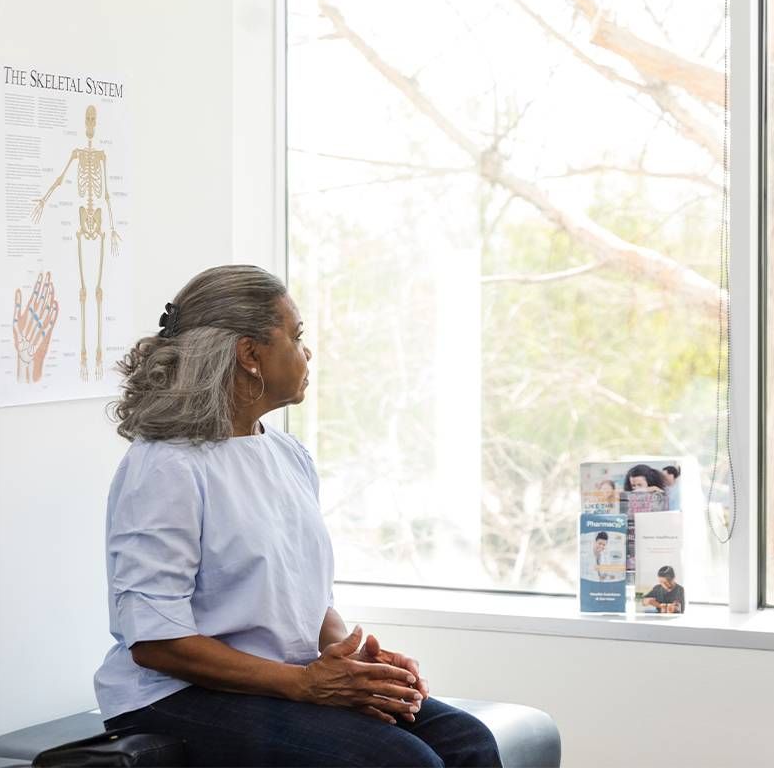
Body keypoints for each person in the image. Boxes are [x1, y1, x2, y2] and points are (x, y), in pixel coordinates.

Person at [93, 266, 502, 767]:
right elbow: (157, 642)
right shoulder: (166, 467)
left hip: (281, 679)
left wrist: (359, 663)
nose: (307, 353)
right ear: (250, 355)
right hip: (174, 697)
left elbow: (308, 603)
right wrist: (304, 685)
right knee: (401, 763)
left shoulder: (288, 454)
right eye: (296, 336)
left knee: (468, 741)